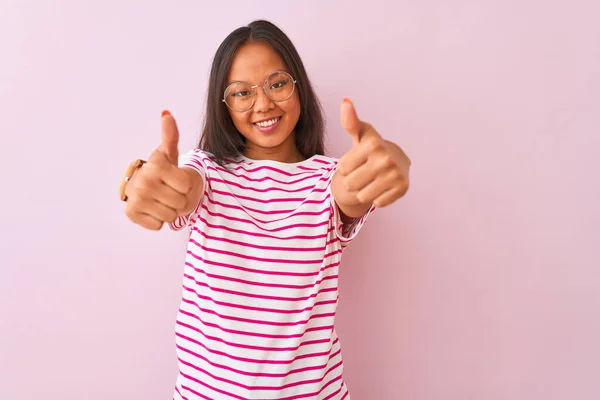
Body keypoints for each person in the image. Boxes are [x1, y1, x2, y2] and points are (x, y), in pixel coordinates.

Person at [120, 19, 410, 400]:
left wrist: (386, 165)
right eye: (241, 93)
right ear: (223, 105)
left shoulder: (330, 178)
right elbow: (182, 186)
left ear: (298, 86)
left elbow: (350, 192)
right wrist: (143, 182)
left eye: (277, 83)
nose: (263, 104)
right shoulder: (205, 171)